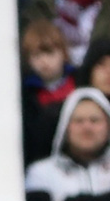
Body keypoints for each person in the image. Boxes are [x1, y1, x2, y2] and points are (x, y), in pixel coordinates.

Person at [22, 19, 78, 165]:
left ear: (64, 54)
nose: (44, 61)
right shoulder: (28, 94)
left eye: (50, 53)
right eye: (36, 56)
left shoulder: (79, 82)